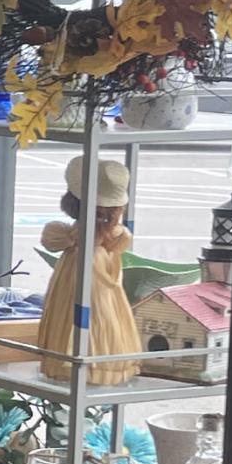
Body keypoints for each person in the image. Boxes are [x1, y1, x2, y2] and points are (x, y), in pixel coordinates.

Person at [38, 158, 141, 385]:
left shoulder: (74, 241)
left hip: (80, 268)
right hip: (98, 266)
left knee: (74, 313)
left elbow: (52, 238)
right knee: (106, 313)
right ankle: (103, 362)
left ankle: (71, 361)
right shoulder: (115, 238)